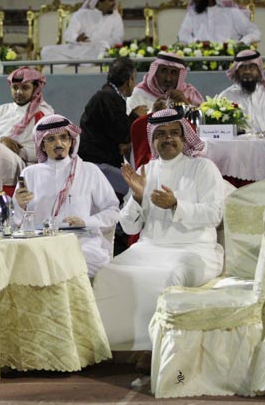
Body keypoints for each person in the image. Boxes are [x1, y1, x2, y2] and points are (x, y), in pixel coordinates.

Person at [93, 108, 224, 351]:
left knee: (169, 277)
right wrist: (137, 197)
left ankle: (158, 348)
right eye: (161, 134)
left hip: (195, 249)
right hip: (149, 248)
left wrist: (176, 205)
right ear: (152, 139)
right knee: (108, 274)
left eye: (174, 133)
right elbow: (129, 226)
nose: (168, 138)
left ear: (184, 138)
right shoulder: (147, 170)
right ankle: (119, 348)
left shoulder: (203, 168)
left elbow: (215, 214)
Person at [13, 114, 119, 277]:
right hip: (41, 243)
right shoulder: (29, 174)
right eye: (51, 139)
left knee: (67, 262)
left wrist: (86, 221)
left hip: (82, 243)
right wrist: (20, 206)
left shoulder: (89, 170)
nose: (59, 144)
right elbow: (17, 222)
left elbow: (113, 211)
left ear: (71, 141)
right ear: (42, 145)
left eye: (63, 137)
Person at [79, 57, 147, 197]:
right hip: (98, 165)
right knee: (138, 189)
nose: (134, 84)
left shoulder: (108, 95)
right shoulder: (108, 98)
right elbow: (123, 134)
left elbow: (115, 132)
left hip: (99, 162)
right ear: (129, 80)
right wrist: (135, 116)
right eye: (134, 79)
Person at [0, 67, 54, 193]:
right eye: (15, 88)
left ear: (35, 88)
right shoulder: (2, 110)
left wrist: (20, 151)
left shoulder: (43, 113)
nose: (19, 92)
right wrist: (2, 140)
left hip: (24, 164)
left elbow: (47, 150)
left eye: (25, 88)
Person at [41, 0, 123, 62]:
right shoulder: (81, 15)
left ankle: (78, 61)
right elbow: (69, 33)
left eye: (114, 0)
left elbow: (118, 39)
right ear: (99, 2)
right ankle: (78, 61)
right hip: (79, 50)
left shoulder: (116, 17)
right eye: (110, 1)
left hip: (99, 51)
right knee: (46, 50)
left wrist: (102, 44)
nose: (114, 4)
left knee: (100, 50)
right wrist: (76, 37)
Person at [178, 0, 261, 45]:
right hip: (200, 59)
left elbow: (254, 32)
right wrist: (197, 43)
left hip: (229, 59)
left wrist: (241, 44)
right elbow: (182, 35)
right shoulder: (193, 13)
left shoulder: (231, 12)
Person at [219, 50, 265, 132]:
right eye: (242, 67)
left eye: (252, 67)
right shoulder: (226, 97)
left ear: (259, 69)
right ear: (236, 71)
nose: (247, 71)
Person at [126, 52, 203, 114]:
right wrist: (153, 112)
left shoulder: (190, 93)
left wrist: (186, 104)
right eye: (163, 71)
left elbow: (203, 121)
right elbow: (130, 124)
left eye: (174, 73)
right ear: (155, 73)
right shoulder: (138, 94)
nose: (168, 79)